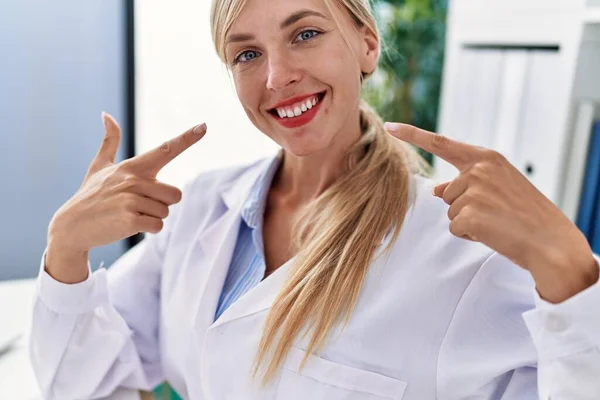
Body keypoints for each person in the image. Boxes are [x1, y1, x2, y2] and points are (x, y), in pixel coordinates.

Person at [30, 0, 600, 399]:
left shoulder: (460, 252)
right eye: (246, 54)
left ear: (366, 44)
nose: (277, 77)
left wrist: (569, 270)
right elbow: (85, 384)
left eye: (305, 34)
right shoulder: (201, 207)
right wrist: (66, 252)